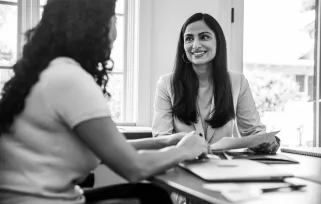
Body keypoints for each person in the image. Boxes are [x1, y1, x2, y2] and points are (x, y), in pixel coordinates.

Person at [0, 1, 209, 204]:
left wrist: (165, 142)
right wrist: (185, 149)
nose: (116, 32)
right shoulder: (70, 79)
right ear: (95, 26)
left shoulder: (48, 72)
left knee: (150, 194)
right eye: (114, 21)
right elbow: (135, 167)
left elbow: (111, 148)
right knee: (153, 196)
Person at [152, 12, 280, 154]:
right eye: (188, 39)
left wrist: (266, 142)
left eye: (204, 37)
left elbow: (253, 131)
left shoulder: (238, 82)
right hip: (182, 165)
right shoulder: (166, 84)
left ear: (218, 42)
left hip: (225, 168)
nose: (195, 45)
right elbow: (161, 139)